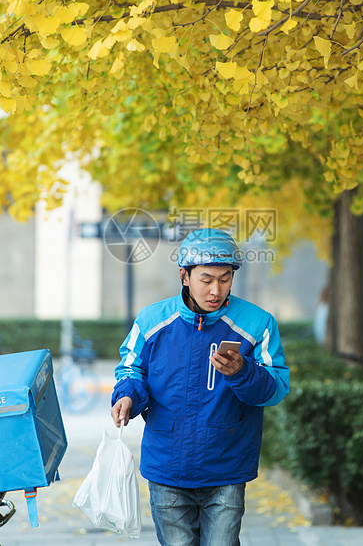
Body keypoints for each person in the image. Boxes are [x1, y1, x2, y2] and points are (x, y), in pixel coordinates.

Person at [111, 228, 290, 546]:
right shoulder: (152, 321)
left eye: (225, 278)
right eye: (206, 279)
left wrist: (242, 371)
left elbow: (275, 387)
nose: (216, 289)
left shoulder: (257, 323)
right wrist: (127, 396)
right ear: (184, 276)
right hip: (167, 465)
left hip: (227, 465)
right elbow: (131, 369)